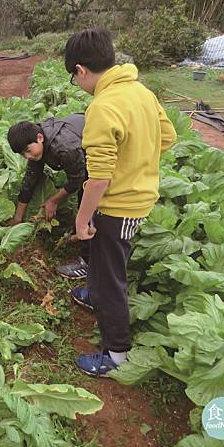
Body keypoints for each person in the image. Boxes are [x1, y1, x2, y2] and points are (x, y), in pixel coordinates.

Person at [65, 28, 177, 377]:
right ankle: (92, 292)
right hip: (138, 200)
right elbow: (169, 136)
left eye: (73, 77)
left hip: (118, 206)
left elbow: (98, 178)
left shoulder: (103, 105)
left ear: (81, 70)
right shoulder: (140, 91)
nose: (76, 83)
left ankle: (116, 355)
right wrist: (137, 164)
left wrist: (82, 220)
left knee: (112, 277)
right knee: (105, 263)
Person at [7, 114, 90, 279]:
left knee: (88, 205)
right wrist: (18, 218)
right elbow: (30, 180)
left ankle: (87, 262)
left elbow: (78, 179)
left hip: (108, 160)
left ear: (39, 138)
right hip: (83, 152)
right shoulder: (39, 141)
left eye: (28, 151)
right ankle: (75, 235)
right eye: (23, 155)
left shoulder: (65, 148)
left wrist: (53, 200)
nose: (28, 157)